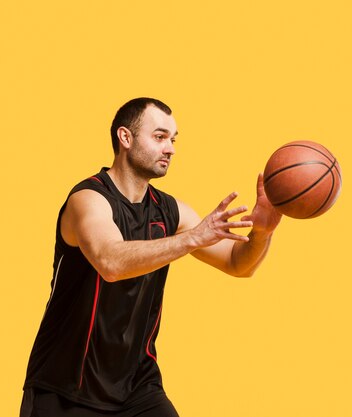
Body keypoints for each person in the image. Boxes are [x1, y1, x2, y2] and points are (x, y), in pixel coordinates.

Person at [20, 97, 282, 417]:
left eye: (173, 139)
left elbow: (238, 264)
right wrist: (193, 237)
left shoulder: (169, 211)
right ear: (125, 138)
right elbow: (111, 262)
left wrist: (262, 232)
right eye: (159, 137)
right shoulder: (88, 200)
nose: (170, 148)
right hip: (67, 386)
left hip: (137, 387)